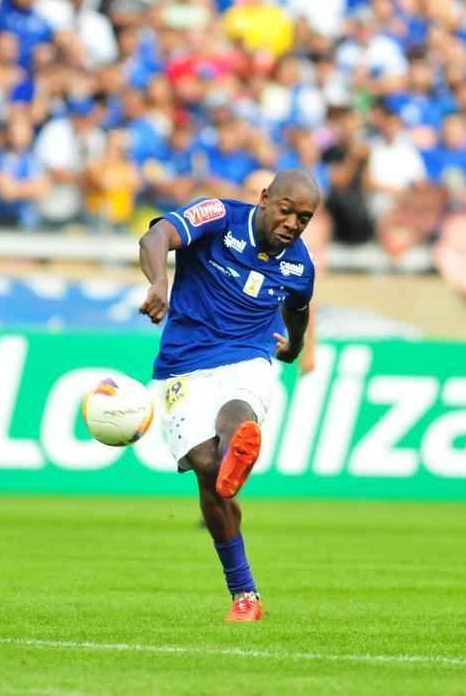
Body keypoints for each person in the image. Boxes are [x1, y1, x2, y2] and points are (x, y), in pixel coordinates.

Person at [137, 170, 318, 623]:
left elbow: (298, 312)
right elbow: (156, 236)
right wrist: (159, 282)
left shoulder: (300, 266)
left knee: (237, 417)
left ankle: (244, 596)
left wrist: (292, 349)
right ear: (263, 199)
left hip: (248, 357)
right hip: (183, 365)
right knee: (208, 470)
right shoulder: (217, 215)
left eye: (304, 217)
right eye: (286, 210)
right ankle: (245, 592)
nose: (294, 223)